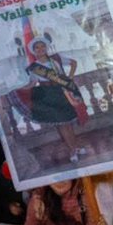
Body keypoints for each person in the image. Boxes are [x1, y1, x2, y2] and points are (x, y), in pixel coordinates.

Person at [26, 36, 87, 164]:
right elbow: (32, 83)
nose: (40, 49)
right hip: (48, 95)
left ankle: (76, 147)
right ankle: (72, 150)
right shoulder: (34, 67)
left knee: (68, 123)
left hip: (61, 92)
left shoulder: (56, 59)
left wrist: (69, 78)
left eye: (42, 46)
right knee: (61, 124)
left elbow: (73, 63)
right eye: (37, 47)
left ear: (46, 47)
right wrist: (19, 89)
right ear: (34, 50)